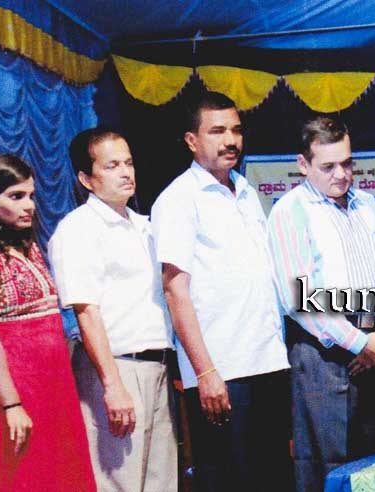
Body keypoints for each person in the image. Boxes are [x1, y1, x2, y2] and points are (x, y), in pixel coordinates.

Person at [151, 92, 291, 491]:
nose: (230, 140)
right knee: (230, 481)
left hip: (267, 361)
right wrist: (206, 373)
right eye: (217, 131)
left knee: (273, 480)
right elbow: (175, 291)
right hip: (223, 372)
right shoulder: (178, 199)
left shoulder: (246, 191)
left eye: (236, 130)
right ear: (191, 141)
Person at [266, 116, 375, 492]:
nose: (341, 174)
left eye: (347, 163)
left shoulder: (367, 204)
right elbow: (299, 299)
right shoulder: (290, 211)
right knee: (329, 466)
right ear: (303, 164)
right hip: (325, 355)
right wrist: (358, 342)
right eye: (328, 166)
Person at [48, 129, 177, 491]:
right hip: (116, 367)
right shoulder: (78, 229)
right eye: (111, 166)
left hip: (157, 365)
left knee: (160, 482)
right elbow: (86, 312)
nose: (125, 173)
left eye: (128, 163)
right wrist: (112, 385)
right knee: (120, 482)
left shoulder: (145, 226)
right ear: (86, 179)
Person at [0, 154, 96, 491]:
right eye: (16, 196)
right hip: (14, 391)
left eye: (31, 196)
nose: (29, 205)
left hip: (53, 388)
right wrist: (11, 404)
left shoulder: (30, 250)